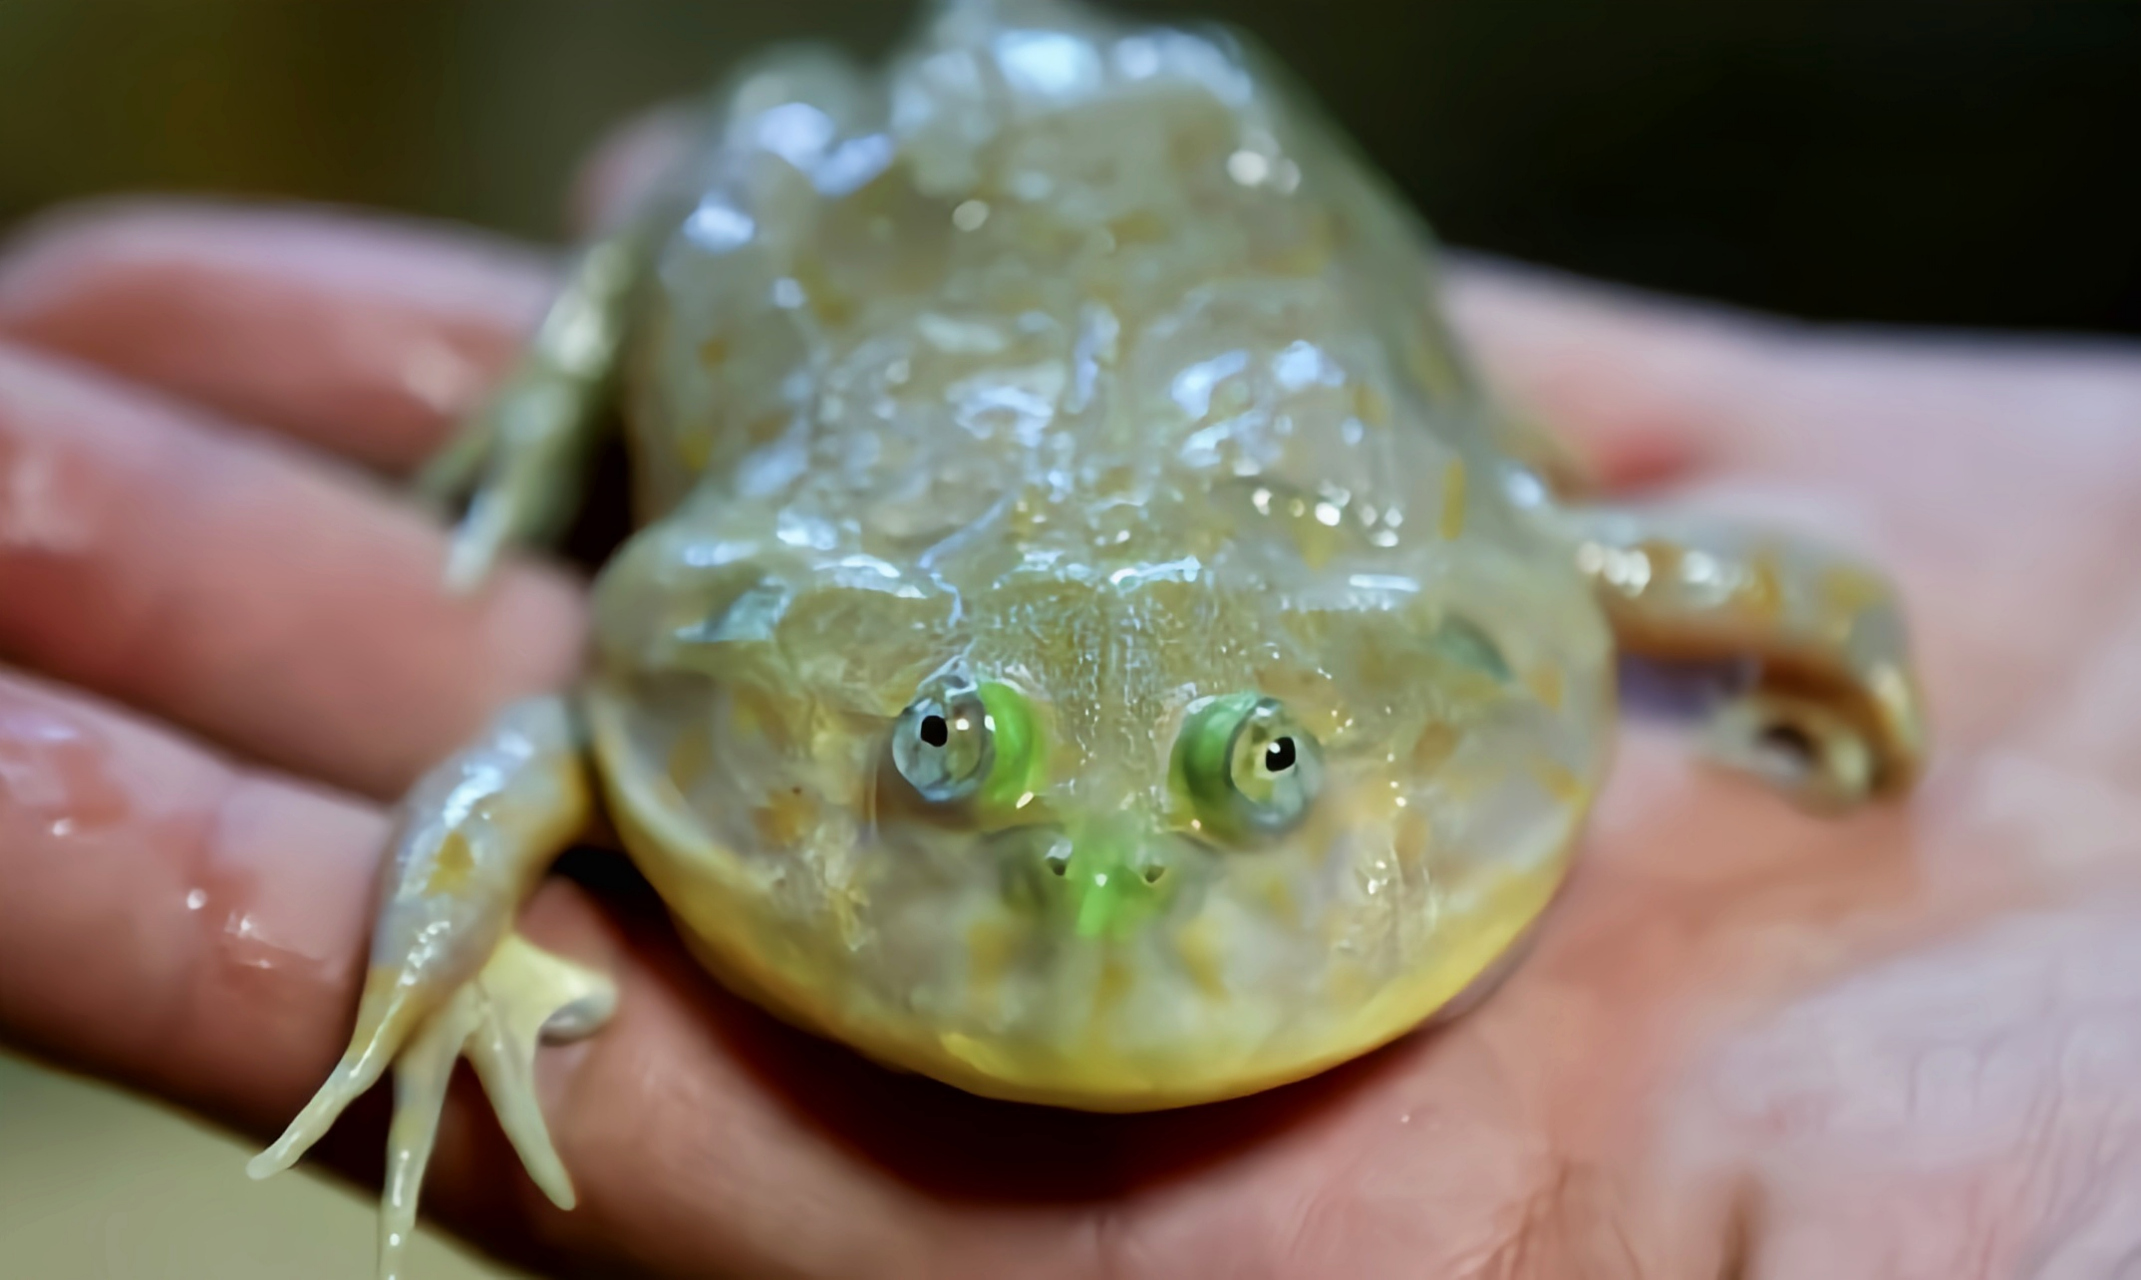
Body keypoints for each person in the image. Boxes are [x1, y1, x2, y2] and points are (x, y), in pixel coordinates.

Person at [2, 114, 2139, 1279]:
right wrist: (427, 969)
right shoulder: (811, 651)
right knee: (756, 170)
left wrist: (1860, 668)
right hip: (905, 266)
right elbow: (561, 740)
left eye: (1261, 767)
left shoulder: (1419, 596)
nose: (1101, 887)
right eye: (960, 749)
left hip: (1220, 174)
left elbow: (1780, 589)